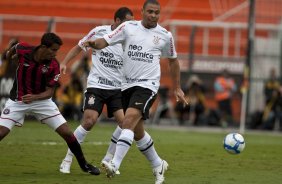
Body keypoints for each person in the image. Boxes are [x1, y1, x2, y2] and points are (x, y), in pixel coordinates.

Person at [84, 0, 188, 183]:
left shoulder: (165, 35)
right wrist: (94, 44)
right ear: (142, 11)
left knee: (128, 121)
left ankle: (114, 164)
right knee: (136, 131)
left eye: (157, 12)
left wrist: (177, 87)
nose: (153, 15)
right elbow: (106, 41)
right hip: (126, 86)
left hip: (147, 86)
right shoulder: (128, 27)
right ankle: (158, 163)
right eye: (150, 12)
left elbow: (173, 60)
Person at [0, 32, 100, 175]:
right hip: (17, 101)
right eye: (53, 50)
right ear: (43, 47)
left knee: (67, 133)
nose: (55, 54)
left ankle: (84, 165)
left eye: (57, 50)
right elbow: (8, 53)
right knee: (2, 132)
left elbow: (49, 93)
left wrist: (34, 98)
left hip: (42, 102)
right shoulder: (23, 49)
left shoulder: (53, 65)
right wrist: (11, 59)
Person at [59, 7, 134, 174]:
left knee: (126, 124)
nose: (130, 26)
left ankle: (108, 159)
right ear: (117, 21)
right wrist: (64, 62)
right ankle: (68, 159)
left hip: (117, 89)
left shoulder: (130, 40)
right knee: (88, 121)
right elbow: (79, 46)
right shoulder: (99, 32)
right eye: (127, 22)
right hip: (97, 86)